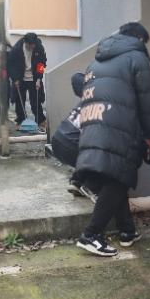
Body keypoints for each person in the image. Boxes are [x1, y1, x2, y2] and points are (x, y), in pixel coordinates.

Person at [74, 21, 150, 256]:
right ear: (139, 39)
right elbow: (148, 100)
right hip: (120, 127)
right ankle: (91, 235)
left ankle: (127, 231)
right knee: (119, 178)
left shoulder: (96, 61)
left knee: (114, 177)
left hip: (92, 123)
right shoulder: (137, 59)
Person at [51, 72, 97, 202]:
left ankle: (77, 182)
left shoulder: (90, 92)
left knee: (87, 149)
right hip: (71, 145)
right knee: (101, 154)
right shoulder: (105, 101)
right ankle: (92, 186)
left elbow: (76, 77)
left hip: (58, 138)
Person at [7, 32, 47, 125]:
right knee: (19, 101)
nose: (32, 47)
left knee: (36, 100)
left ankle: (40, 120)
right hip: (20, 78)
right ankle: (21, 121)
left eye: (33, 45)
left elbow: (41, 63)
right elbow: (11, 65)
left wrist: (39, 79)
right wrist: (15, 79)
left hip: (33, 78)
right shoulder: (17, 49)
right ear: (25, 42)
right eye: (30, 45)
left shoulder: (39, 47)